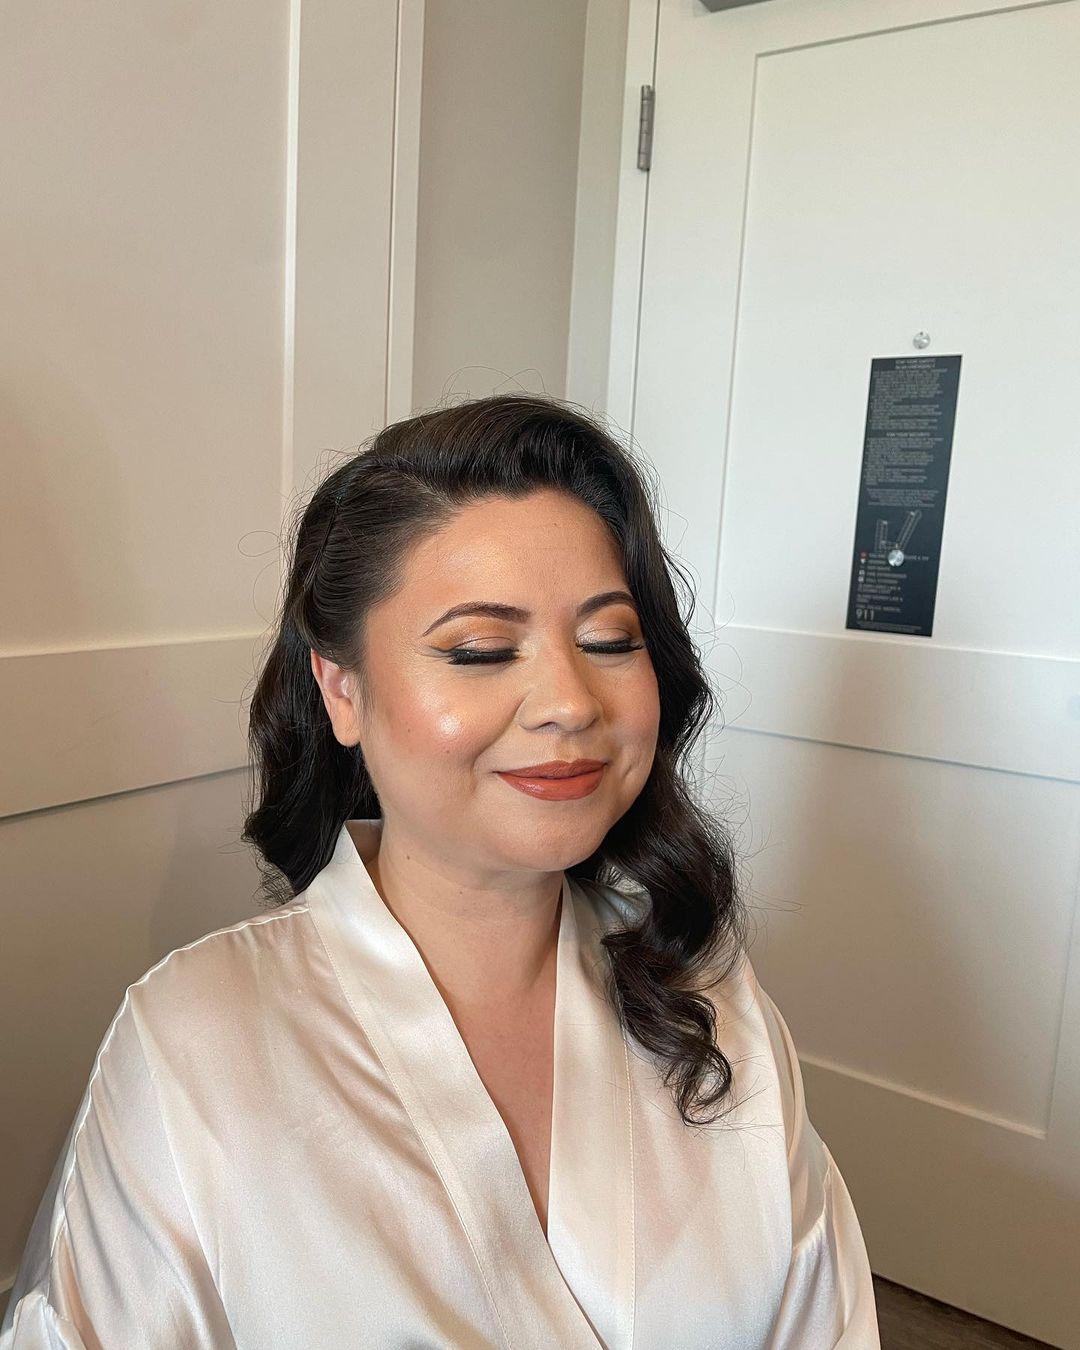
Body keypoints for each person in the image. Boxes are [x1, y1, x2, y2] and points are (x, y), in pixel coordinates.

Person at [1, 394, 881, 1347]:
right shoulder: (197, 1040)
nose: (569, 702)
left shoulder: (708, 997)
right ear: (343, 690)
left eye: (609, 641)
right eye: (480, 650)